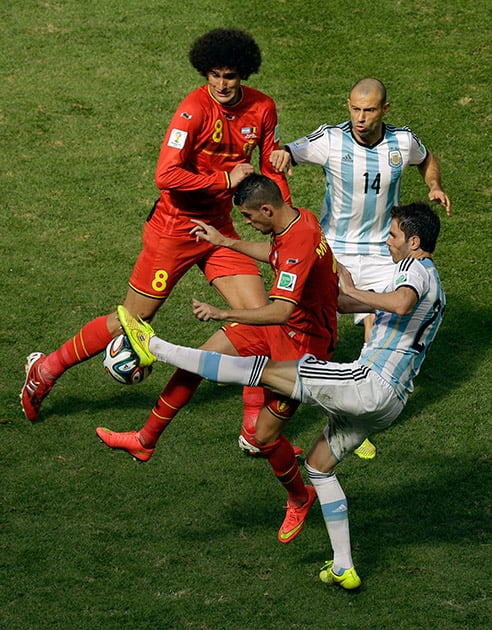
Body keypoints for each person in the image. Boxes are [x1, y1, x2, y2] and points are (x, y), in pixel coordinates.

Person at [115, 200, 446, 590]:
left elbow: (401, 302)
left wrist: (356, 290)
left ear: (414, 240)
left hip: (369, 383)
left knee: (262, 371)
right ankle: (344, 566)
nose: (387, 241)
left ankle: (154, 345)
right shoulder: (427, 280)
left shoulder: (417, 271)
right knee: (319, 466)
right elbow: (382, 307)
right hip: (388, 404)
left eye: (393, 235)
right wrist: (341, 296)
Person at [20, 29, 291, 430]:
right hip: (174, 229)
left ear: (243, 74)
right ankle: (45, 371)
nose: (220, 84)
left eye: (229, 76)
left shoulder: (263, 108)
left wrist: (283, 218)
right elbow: (165, 175)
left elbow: (270, 167)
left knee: (259, 315)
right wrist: (224, 182)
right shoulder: (193, 110)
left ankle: (255, 427)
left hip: (217, 228)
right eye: (213, 75)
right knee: (131, 320)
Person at [97, 173, 339, 545]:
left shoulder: (298, 244)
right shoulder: (298, 220)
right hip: (283, 330)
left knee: (264, 436)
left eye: (246, 217)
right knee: (199, 359)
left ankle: (299, 498)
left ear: (267, 209)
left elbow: (280, 312)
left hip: (301, 351)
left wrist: (222, 312)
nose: (246, 223)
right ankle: (146, 439)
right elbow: (274, 254)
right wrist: (225, 241)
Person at [270, 77, 451, 460]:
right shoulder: (332, 140)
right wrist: (284, 154)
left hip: (386, 251)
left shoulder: (402, 142)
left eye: (369, 110)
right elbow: (292, 151)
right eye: (354, 108)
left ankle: (356, 412)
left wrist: (433, 185)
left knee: (379, 328)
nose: (360, 117)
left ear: (385, 110)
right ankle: (278, 393)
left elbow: (427, 158)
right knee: (316, 324)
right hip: (335, 248)